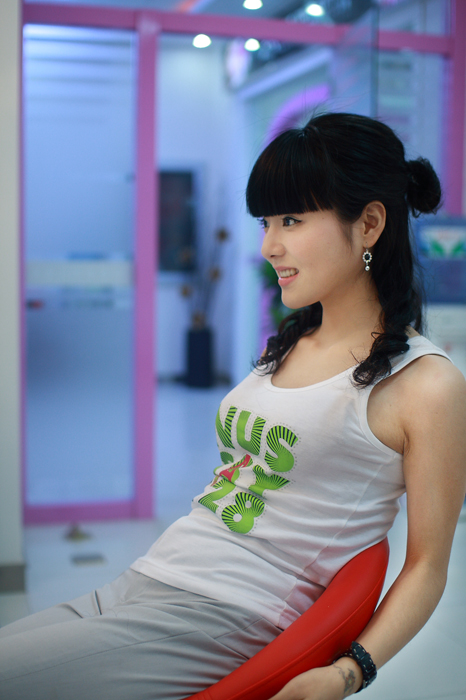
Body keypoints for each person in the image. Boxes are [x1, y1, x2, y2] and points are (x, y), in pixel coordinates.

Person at [1, 112, 465, 700]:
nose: (270, 246)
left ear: (370, 223)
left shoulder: (426, 384)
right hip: (151, 577)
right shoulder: (289, 344)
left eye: (292, 220)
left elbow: (427, 566)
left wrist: (349, 672)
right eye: (266, 222)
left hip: (224, 614)